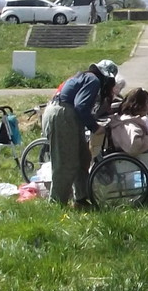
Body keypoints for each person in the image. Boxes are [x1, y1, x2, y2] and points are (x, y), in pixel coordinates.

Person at [40, 59, 118, 204]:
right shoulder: (93, 81)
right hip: (62, 116)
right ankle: (57, 202)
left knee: (83, 158)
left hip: (65, 115)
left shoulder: (86, 77)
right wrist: (95, 127)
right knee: (66, 163)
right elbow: (81, 106)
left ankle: (81, 198)